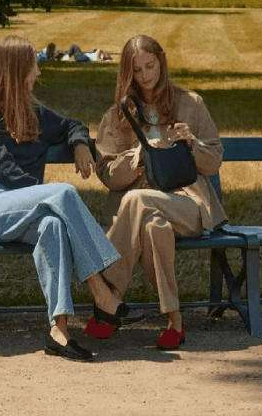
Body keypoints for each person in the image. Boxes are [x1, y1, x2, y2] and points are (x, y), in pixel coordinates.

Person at [0, 36, 139, 361]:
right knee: (62, 194)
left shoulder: (31, 111)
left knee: (54, 224)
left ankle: (59, 331)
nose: (38, 73)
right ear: (16, 70)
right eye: (33, 66)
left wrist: (81, 143)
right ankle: (102, 290)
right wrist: (42, 194)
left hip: (26, 210)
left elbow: (72, 125)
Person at [88, 34, 227, 351]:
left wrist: (192, 142)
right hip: (143, 215)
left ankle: (109, 297)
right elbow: (108, 175)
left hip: (188, 205)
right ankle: (174, 322)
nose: (146, 75)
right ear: (128, 73)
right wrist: (136, 158)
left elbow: (214, 159)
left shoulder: (190, 103)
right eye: (137, 70)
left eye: (151, 66)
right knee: (152, 227)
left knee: (136, 201)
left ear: (161, 62)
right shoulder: (117, 115)